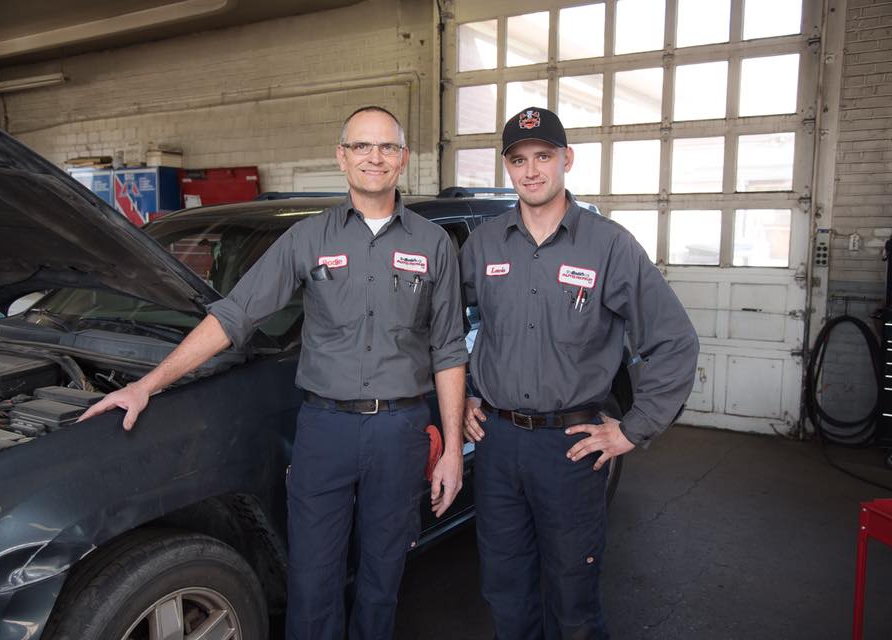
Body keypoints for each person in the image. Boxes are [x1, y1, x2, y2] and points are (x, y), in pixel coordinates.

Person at [80, 106, 468, 640]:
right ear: (342, 157)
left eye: (385, 147)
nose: (373, 157)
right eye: (361, 146)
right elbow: (235, 316)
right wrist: (147, 384)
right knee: (313, 581)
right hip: (325, 430)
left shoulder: (433, 244)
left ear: (402, 159)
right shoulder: (308, 239)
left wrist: (450, 448)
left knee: (383, 576)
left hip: (399, 432)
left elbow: (449, 349)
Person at [460, 106, 699, 639]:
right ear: (507, 167)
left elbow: (674, 340)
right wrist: (467, 394)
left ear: (566, 159)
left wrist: (632, 429)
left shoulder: (608, 245)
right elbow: (449, 325)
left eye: (543, 156)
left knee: (573, 600)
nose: (531, 170)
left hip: (569, 448)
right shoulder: (484, 244)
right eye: (518, 160)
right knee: (505, 591)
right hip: (497, 445)